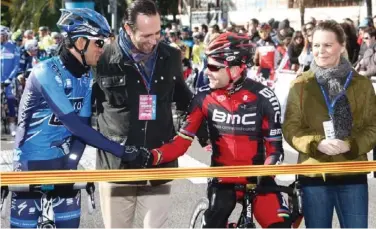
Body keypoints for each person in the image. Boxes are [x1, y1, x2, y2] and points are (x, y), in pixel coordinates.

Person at [132, 32, 292, 228]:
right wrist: (152, 155)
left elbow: (275, 150)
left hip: (259, 178)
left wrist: (265, 174)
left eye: (214, 67)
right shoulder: (203, 98)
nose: (206, 72)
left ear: (237, 68)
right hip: (223, 180)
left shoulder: (264, 97)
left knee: (281, 225)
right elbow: (181, 143)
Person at [11, 8, 140, 228]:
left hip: (63, 164)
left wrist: (71, 162)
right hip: (30, 163)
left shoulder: (86, 76)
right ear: (80, 43)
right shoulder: (45, 72)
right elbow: (75, 126)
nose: (103, 49)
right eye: (99, 43)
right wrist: (121, 151)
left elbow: (84, 125)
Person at [93, 0, 207, 228]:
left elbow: (183, 97)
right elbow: (89, 108)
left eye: (157, 33)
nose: (154, 41)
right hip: (117, 165)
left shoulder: (171, 56)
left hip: (159, 162)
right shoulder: (102, 58)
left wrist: (208, 132)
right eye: (146, 35)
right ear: (127, 29)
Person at [282, 20, 376, 228]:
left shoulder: (362, 84)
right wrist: (316, 144)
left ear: (342, 46)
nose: (320, 51)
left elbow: (373, 127)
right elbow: (291, 128)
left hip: (352, 173)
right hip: (314, 174)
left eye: (327, 45)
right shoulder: (301, 84)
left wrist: (351, 145)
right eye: (316, 45)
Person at [1, 25, 20, 137]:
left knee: (10, 101)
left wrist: (10, 78)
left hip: (9, 80)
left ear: (5, 35)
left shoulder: (13, 47)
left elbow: (16, 66)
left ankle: (13, 126)